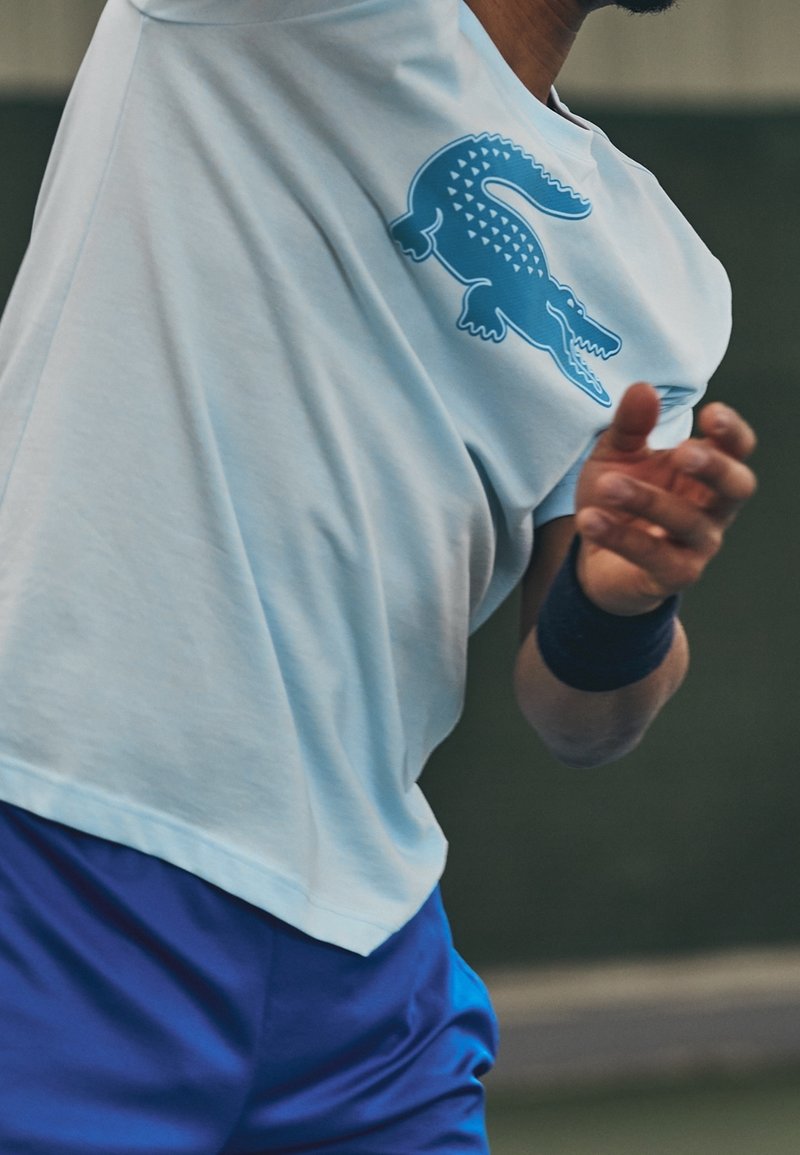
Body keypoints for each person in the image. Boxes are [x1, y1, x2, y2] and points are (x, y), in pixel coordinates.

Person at [0, 0, 756, 1150]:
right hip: (58, 863)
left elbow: (582, 719)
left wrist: (621, 603)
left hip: (365, 967)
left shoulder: (659, 274)